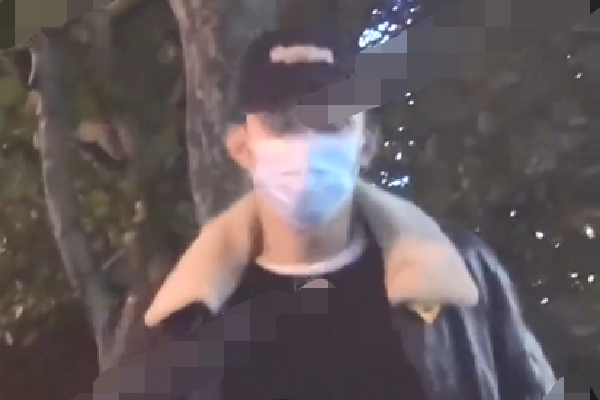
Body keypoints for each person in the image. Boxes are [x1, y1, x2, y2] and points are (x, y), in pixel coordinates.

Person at [144, 27, 556, 400]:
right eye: (282, 123)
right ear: (242, 148)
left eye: (332, 122)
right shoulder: (181, 315)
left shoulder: (461, 276)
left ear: (366, 146)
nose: (306, 145)